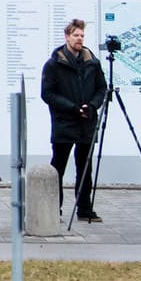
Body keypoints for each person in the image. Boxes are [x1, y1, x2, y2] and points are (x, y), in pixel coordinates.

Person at [40, 18, 107, 223]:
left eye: (82, 36)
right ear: (67, 37)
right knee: (57, 168)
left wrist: (92, 105)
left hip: (86, 122)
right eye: (76, 35)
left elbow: (101, 88)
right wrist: (71, 108)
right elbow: (48, 94)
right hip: (64, 123)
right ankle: (53, 209)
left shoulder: (92, 63)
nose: (79, 39)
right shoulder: (54, 64)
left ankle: (84, 209)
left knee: (85, 168)